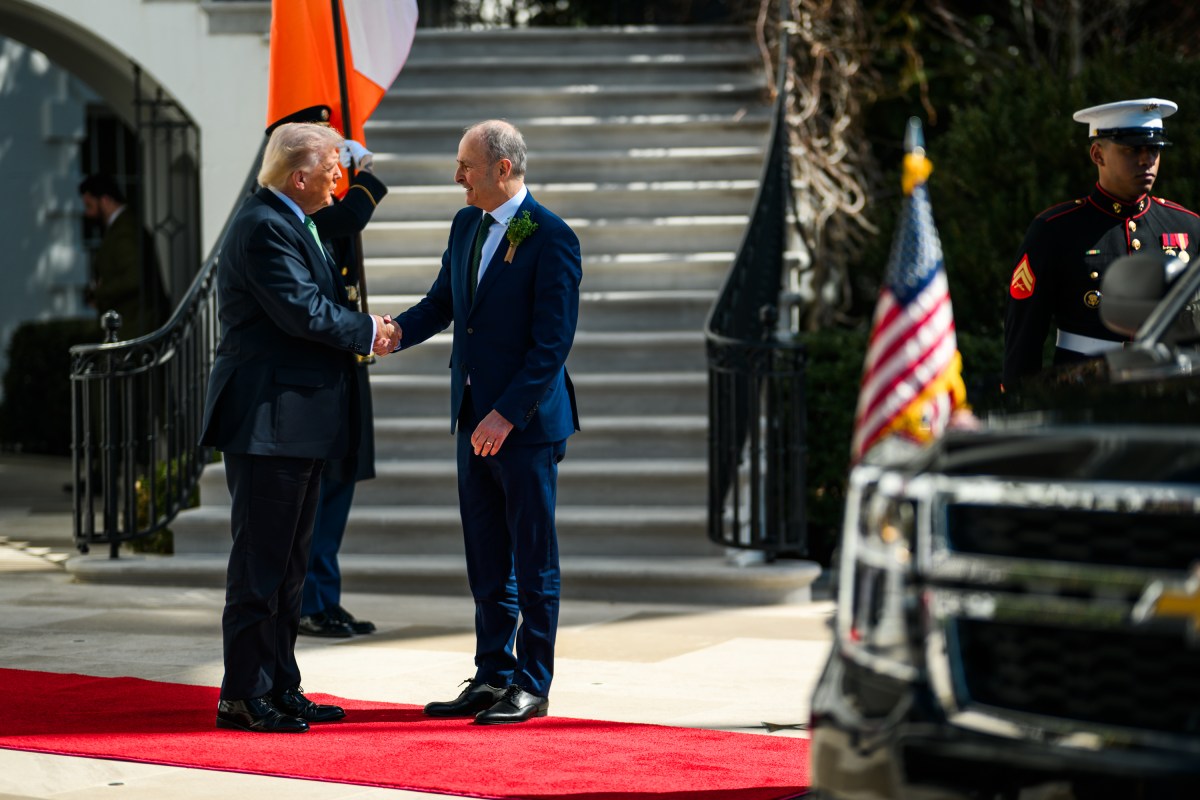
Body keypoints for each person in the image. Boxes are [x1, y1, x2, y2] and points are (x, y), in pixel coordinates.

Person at [199, 122, 400, 734]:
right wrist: (369, 331)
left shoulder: (290, 218)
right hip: (270, 419)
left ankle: (281, 684)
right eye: (333, 170)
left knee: (290, 565)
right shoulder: (263, 226)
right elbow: (302, 312)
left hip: (296, 419)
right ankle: (242, 693)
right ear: (299, 177)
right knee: (261, 563)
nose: (341, 179)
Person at [389, 119, 581, 724]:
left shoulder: (551, 237)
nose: (457, 178)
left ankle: (532, 683)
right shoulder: (466, 223)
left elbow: (551, 347)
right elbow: (445, 302)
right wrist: (390, 333)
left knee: (532, 556)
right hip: (472, 417)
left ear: (502, 169)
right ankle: (493, 674)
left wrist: (506, 413)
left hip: (523, 425)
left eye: (466, 166)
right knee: (486, 555)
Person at [258, 107, 390, 639]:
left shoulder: (308, 212)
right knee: (319, 493)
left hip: (343, 358)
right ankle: (313, 599)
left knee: (341, 482)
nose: (338, 176)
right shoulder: (286, 217)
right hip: (326, 355)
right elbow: (350, 217)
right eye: (330, 164)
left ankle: (324, 596)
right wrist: (367, 180)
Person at [1003, 97, 1200, 389]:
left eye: (1155, 149)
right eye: (1133, 150)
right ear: (1098, 154)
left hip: (1170, 389)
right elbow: (1026, 333)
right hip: (1085, 390)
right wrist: (1019, 401)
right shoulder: (1055, 229)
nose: (1147, 160)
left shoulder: (1188, 225)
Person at [78, 174, 170, 339]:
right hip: (129, 324)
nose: (88, 213)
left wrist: (98, 293)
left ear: (105, 200)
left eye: (89, 205)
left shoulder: (125, 230)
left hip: (134, 326)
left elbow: (134, 278)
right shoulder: (120, 227)